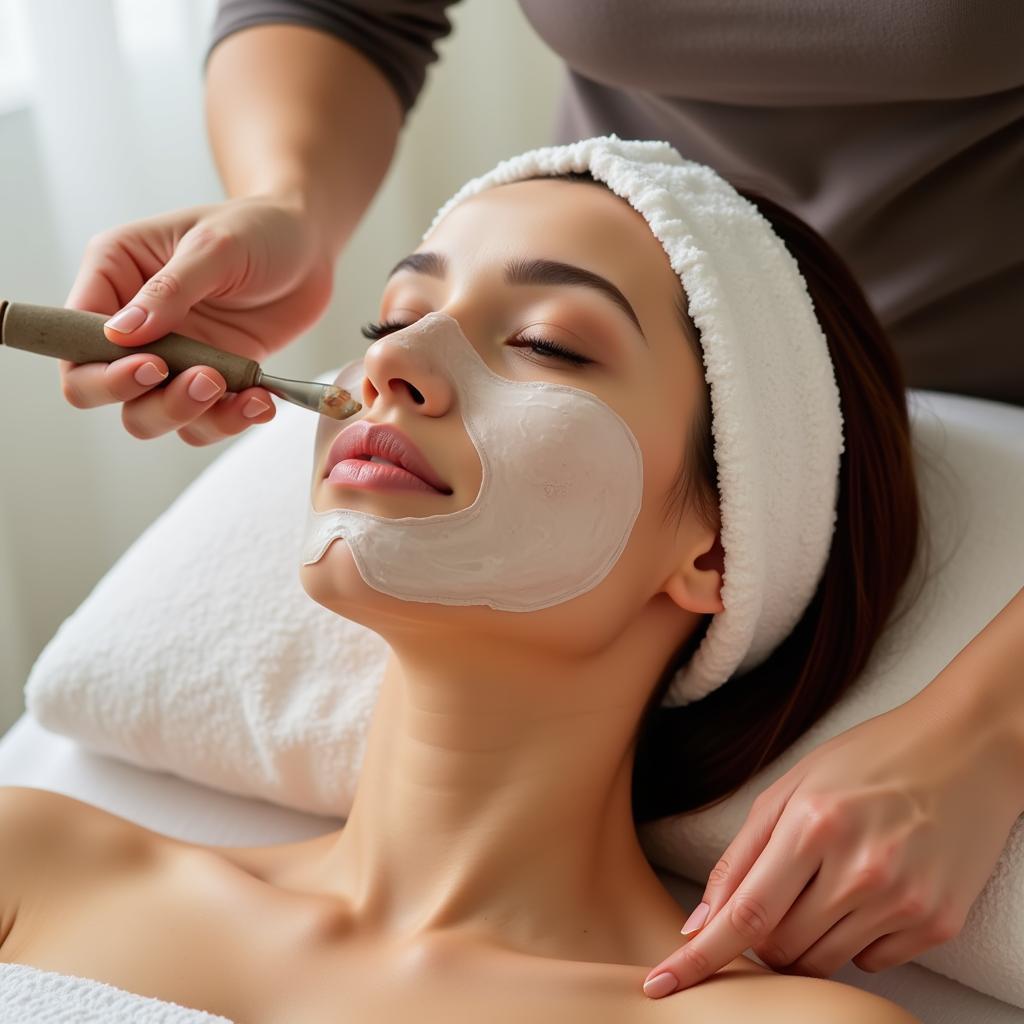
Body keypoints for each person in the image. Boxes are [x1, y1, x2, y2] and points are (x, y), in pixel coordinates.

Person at [56, 5, 1024, 1001]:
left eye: (547, 344)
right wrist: (284, 197)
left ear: (713, 550)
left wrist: (985, 727)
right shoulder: (36, 859)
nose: (387, 363)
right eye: (391, 316)